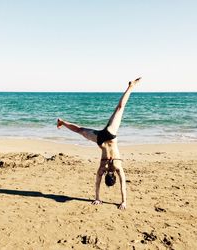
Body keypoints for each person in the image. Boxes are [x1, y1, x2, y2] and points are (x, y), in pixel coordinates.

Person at [57, 77, 141, 209]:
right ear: (109, 176)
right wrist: (99, 198)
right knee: (80, 130)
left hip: (109, 136)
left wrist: (120, 201)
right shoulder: (105, 168)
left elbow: (121, 182)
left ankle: (130, 87)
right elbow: (99, 182)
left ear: (112, 177)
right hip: (101, 139)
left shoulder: (116, 167)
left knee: (119, 109)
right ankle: (62, 122)